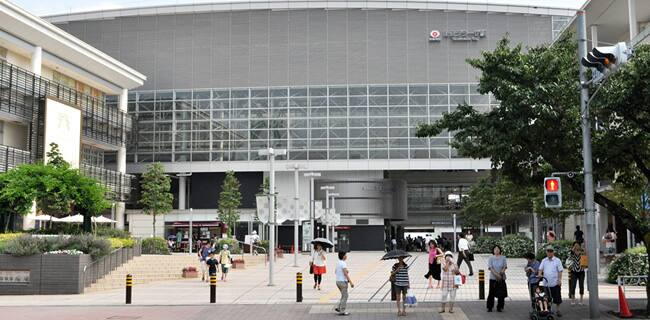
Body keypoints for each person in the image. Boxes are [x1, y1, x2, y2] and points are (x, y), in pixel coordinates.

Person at [538, 246, 564, 317]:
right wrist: (539, 274)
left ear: (553, 252)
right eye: (548, 251)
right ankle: (549, 310)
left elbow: (560, 271)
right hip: (546, 283)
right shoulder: (544, 260)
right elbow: (540, 269)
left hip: (555, 283)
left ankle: (558, 310)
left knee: (557, 297)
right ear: (546, 252)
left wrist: (559, 280)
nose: (549, 253)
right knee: (547, 298)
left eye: (551, 251)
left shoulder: (557, 260)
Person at [486, 245, 508, 312]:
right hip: (493, 278)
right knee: (491, 293)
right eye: (495, 249)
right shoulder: (491, 258)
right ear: (493, 250)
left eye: (498, 249)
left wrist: (500, 273)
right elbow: (490, 267)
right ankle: (490, 307)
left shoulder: (503, 258)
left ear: (500, 250)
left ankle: (500, 307)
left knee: (501, 293)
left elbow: (505, 267)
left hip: (501, 277)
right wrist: (496, 275)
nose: (496, 250)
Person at [335, 251, 354, 316]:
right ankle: (342, 311)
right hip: (342, 282)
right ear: (343, 256)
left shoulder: (338, 263)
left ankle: (338, 307)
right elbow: (345, 274)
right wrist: (351, 282)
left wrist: (345, 271)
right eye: (346, 255)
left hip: (338, 282)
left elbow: (336, 271)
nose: (346, 256)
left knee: (343, 295)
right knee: (345, 296)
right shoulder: (343, 263)